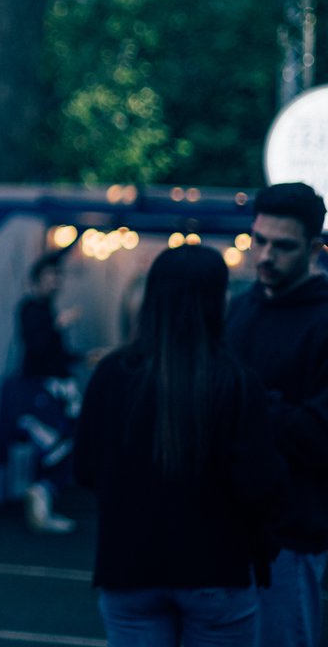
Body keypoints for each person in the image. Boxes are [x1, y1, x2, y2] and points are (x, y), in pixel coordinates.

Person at [74, 245, 286, 647]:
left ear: (151, 298)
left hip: (129, 567)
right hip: (216, 569)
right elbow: (260, 484)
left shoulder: (112, 375)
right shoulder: (236, 382)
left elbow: (84, 470)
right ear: (217, 301)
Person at [225, 181, 328, 647]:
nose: (265, 255)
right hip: (221, 530)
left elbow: (319, 438)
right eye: (258, 241)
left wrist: (243, 397)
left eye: (282, 246)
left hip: (291, 535)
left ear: (314, 248)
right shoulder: (240, 307)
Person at [0, 250, 84, 534]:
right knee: (55, 445)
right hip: (36, 395)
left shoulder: (47, 311)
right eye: (50, 277)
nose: (55, 282)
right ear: (36, 280)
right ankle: (39, 500)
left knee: (61, 446)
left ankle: (41, 502)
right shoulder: (31, 309)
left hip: (52, 393)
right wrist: (58, 326)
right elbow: (37, 347)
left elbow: (55, 355)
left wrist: (84, 357)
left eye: (58, 276)